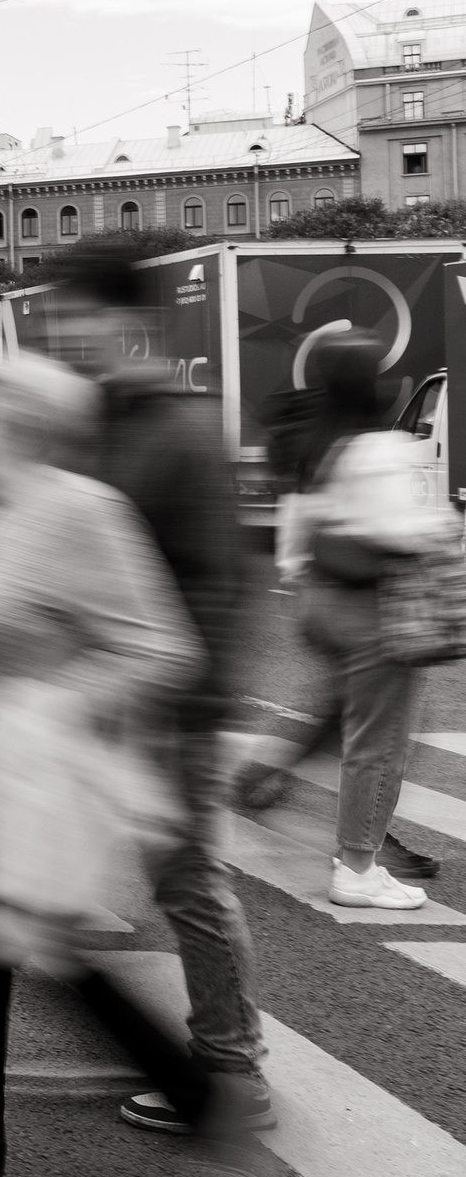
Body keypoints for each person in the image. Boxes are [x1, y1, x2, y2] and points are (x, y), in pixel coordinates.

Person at [0, 355, 278, 1177]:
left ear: (29, 424)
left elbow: (163, 646)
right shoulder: (0, 511)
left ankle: (214, 1114)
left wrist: (46, 705)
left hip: (27, 780)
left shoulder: (82, 510)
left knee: (53, 967)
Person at [30, 244, 274, 1134]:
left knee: (187, 885)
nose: (62, 337)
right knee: (57, 868)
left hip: (167, 705)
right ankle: (144, 1041)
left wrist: (181, 705)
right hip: (96, 698)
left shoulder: (174, 428)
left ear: (123, 321)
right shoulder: (95, 421)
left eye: (74, 320)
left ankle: (230, 1070)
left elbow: (214, 583)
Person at [249, 329, 453, 910]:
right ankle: (358, 867)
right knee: (380, 744)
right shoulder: (381, 449)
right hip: (373, 610)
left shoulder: (320, 444)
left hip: (322, 603)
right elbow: (403, 530)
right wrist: (440, 528)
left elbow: (294, 540)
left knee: (354, 724)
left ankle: (301, 799)